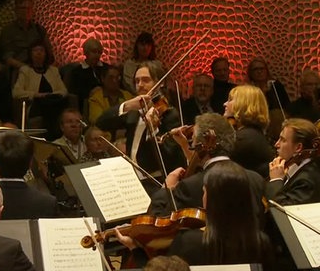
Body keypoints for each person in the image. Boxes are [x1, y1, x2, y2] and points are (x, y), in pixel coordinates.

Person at [119, 161, 273, 269]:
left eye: (205, 191)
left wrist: (135, 249)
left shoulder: (189, 242)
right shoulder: (261, 242)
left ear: (212, 199)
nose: (203, 196)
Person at [148, 113, 266, 221]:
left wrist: (166, 190)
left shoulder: (190, 187)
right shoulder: (256, 179)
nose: (192, 145)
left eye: (193, 140)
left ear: (201, 145)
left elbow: (157, 219)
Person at [97, 60, 186, 195]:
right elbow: (101, 123)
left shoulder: (169, 114)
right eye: (137, 81)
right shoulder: (133, 112)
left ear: (160, 83)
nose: (140, 85)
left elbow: (170, 156)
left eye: (145, 80)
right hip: (132, 181)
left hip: (157, 183)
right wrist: (126, 106)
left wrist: (154, 130)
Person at [12, 40, 67, 140]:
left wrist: (50, 95)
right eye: (35, 50)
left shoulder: (53, 70)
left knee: (55, 102)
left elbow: (63, 91)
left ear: (46, 53)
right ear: (30, 54)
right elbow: (16, 92)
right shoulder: (25, 70)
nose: (38, 53)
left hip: (54, 102)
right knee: (45, 104)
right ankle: (53, 136)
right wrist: (37, 95)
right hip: (36, 104)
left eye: (41, 50)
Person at [224, 85, 276, 177]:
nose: (225, 104)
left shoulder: (244, 138)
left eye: (230, 100)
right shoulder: (253, 134)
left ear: (243, 104)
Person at [266, 118, 320, 205]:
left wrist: (276, 180)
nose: (276, 144)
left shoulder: (307, 181)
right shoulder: (293, 168)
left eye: (283, 140)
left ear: (298, 148)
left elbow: (282, 211)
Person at [67, 37, 110, 113]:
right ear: (86, 52)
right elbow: (74, 92)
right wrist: (90, 92)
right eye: (94, 52)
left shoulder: (107, 68)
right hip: (86, 104)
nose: (97, 55)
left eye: (99, 52)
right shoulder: (77, 72)